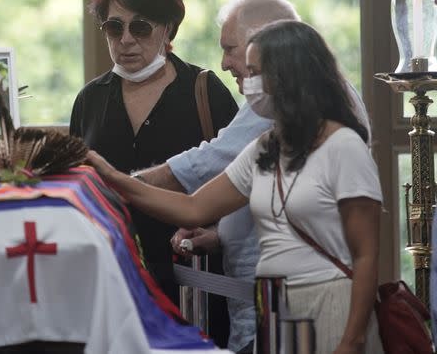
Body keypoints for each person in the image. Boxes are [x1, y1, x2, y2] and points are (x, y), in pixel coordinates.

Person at [89, 19, 383, 354]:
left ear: (289, 77)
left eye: (256, 72)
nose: (245, 81)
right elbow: (194, 208)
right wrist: (113, 178)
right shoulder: (266, 147)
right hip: (273, 306)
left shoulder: (343, 145)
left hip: (330, 303)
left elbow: (366, 254)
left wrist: (352, 339)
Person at [69, 0, 238, 345]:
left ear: (167, 30)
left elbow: (244, 180)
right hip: (114, 287)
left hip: (196, 286)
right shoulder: (90, 100)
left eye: (140, 27)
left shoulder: (205, 91)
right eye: (115, 28)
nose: (126, 40)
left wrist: (216, 233)